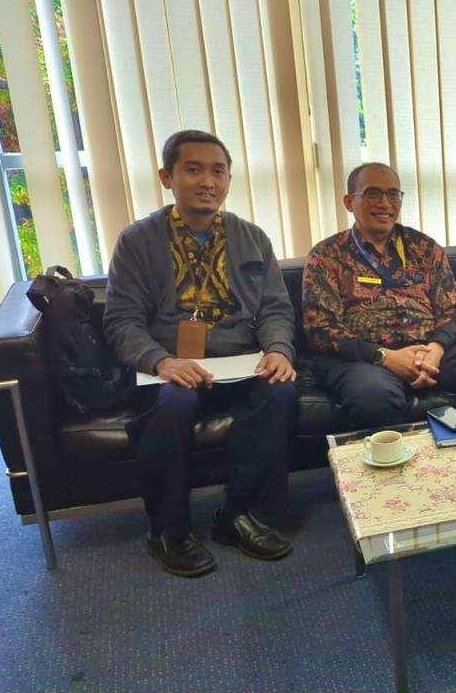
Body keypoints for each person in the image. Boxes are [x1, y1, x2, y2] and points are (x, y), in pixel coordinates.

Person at [105, 130, 299, 578]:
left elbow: (275, 308)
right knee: (173, 404)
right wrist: (161, 361)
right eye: (193, 170)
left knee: (280, 392)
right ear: (167, 177)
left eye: (218, 171)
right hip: (172, 368)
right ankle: (168, 530)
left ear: (229, 179)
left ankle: (238, 514)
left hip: (238, 362)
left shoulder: (251, 237)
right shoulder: (137, 241)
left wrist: (278, 350)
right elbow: (122, 321)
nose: (207, 181)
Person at [302, 162, 456, 428]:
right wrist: (385, 356)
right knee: (373, 396)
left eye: (393, 194)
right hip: (365, 361)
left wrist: (436, 349)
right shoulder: (326, 255)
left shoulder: (425, 248)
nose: (385, 203)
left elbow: (455, 310)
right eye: (373, 193)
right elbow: (321, 329)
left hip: (428, 353)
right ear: (349, 202)